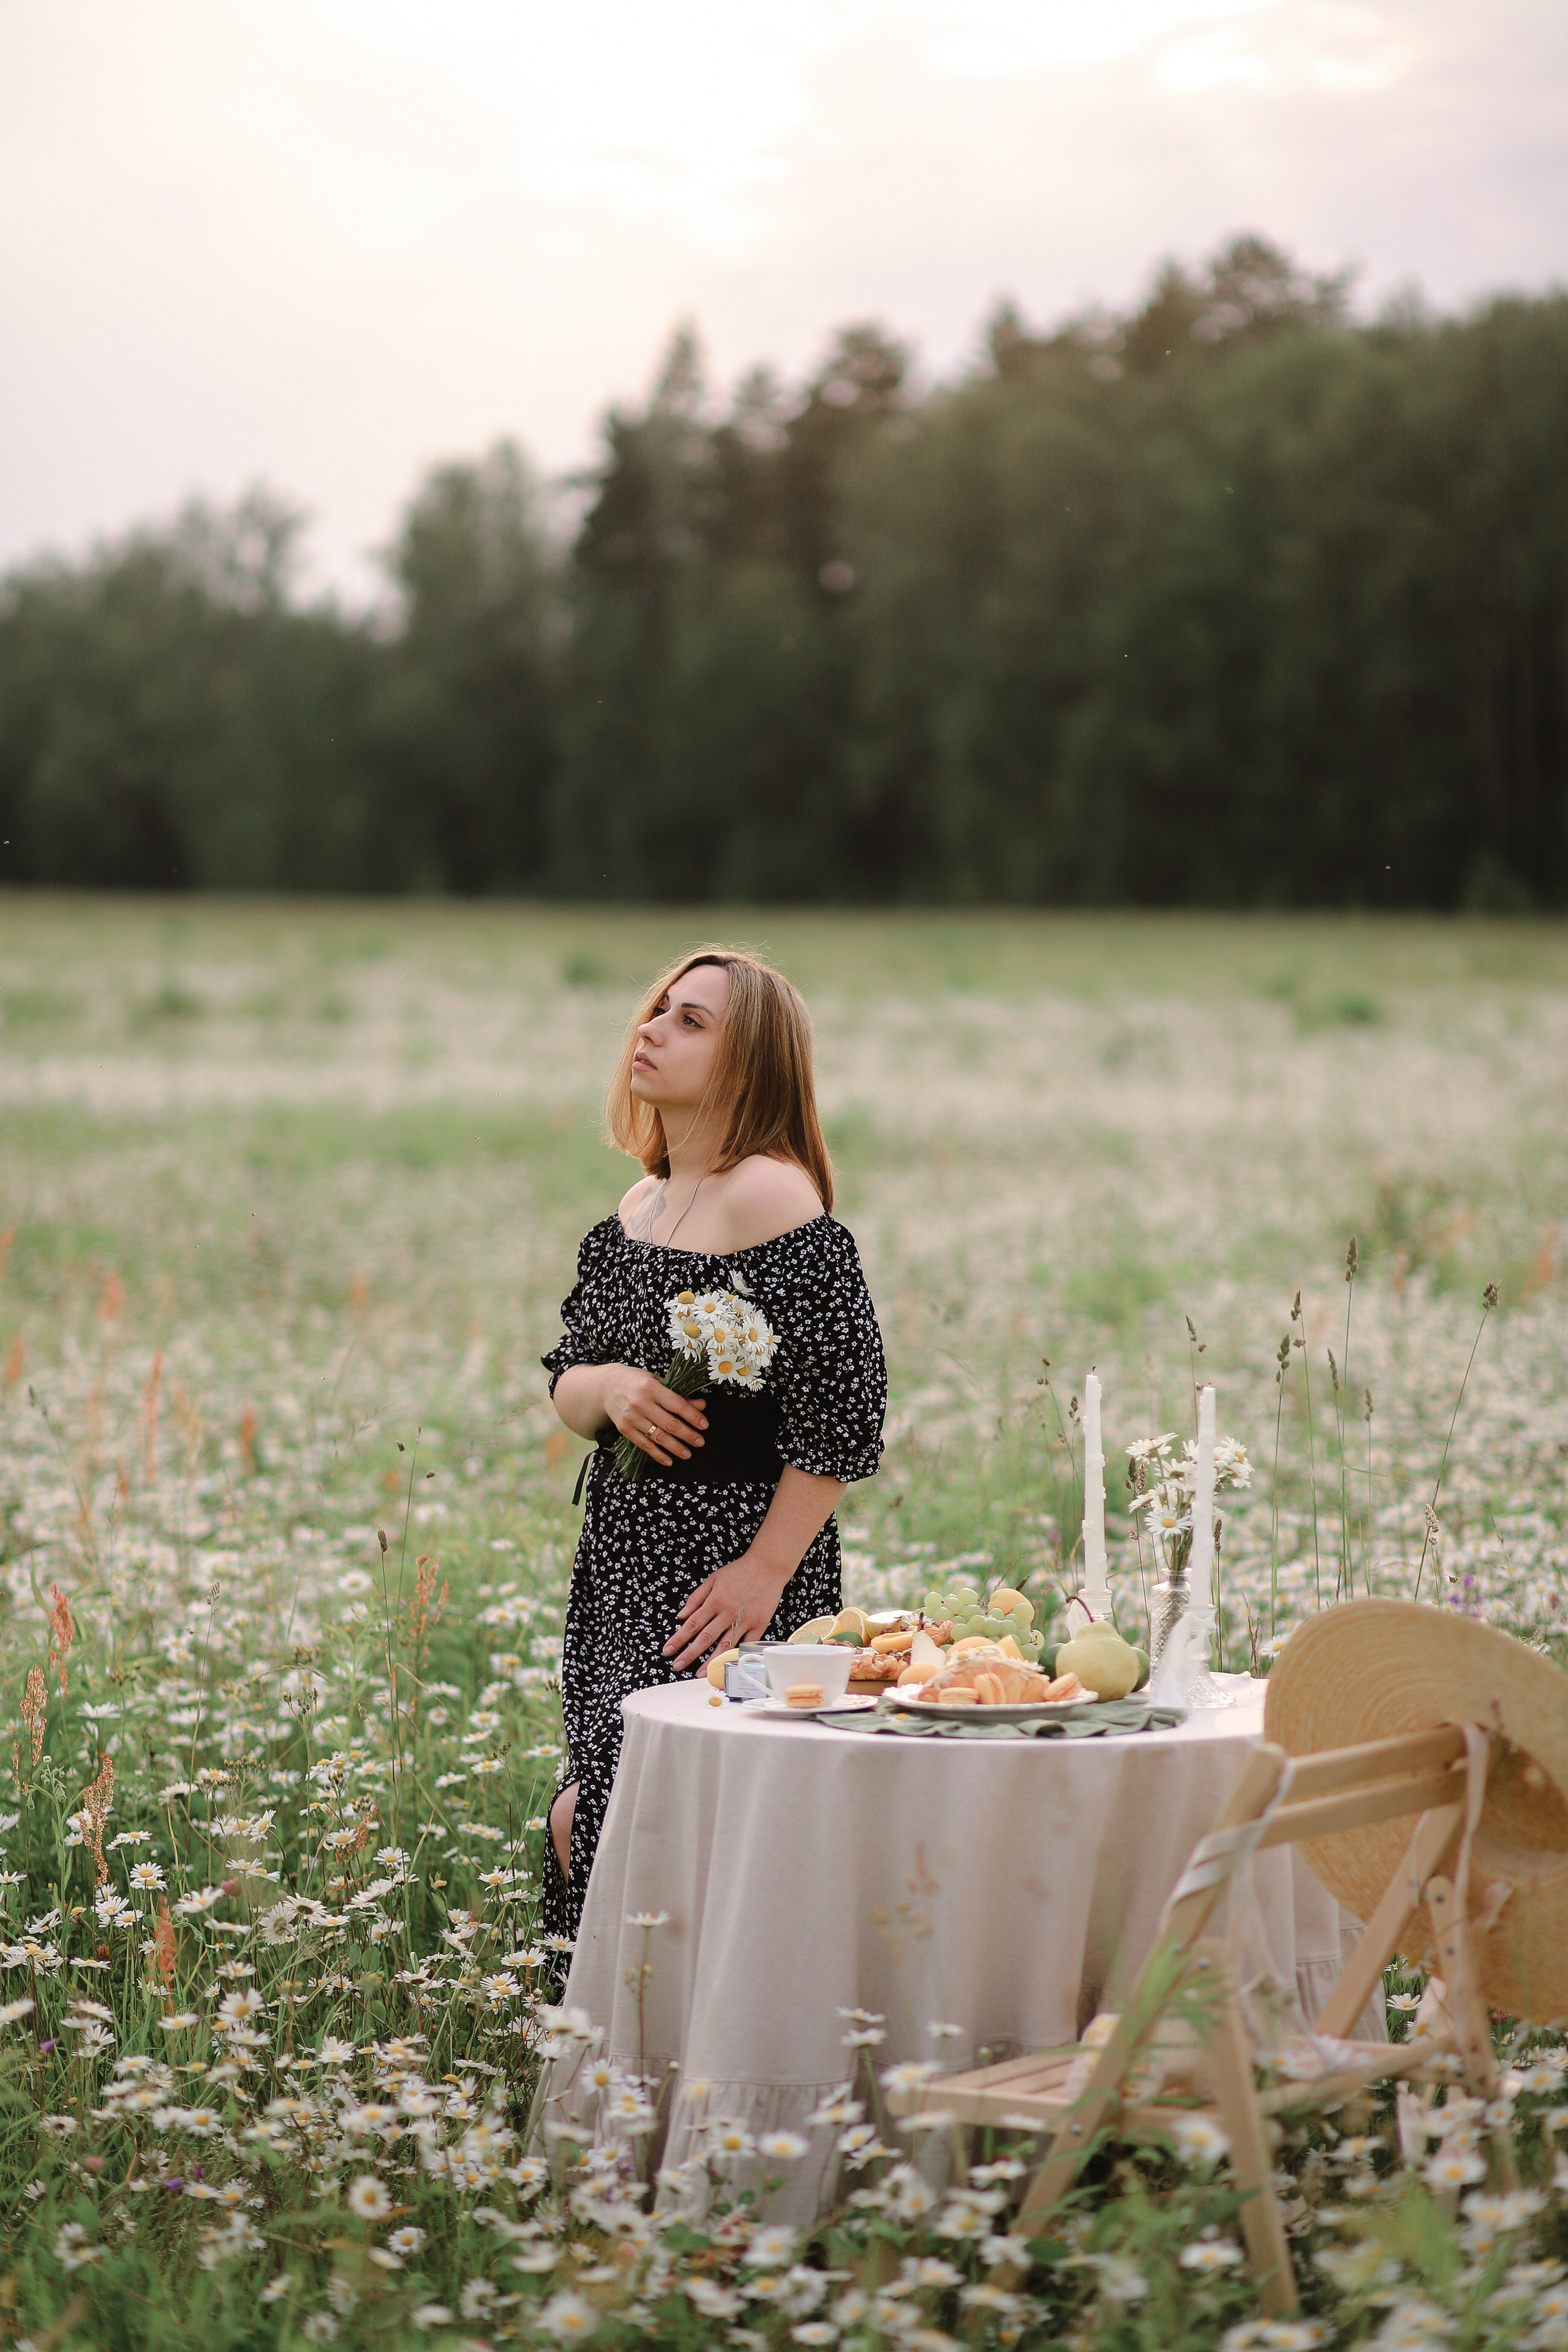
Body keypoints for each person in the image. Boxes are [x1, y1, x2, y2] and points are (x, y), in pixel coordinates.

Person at [541, 947, 887, 1940]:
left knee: (674, 1821)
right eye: (659, 1009)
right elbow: (568, 1379)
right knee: (605, 1807)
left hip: (726, 1570)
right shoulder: (640, 1205)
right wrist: (611, 1388)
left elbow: (847, 1410)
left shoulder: (770, 1196)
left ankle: (686, 2029)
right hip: (621, 1556)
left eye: (691, 1021)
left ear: (749, 1063)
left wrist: (765, 1573)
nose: (652, 1029)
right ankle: (609, 2026)